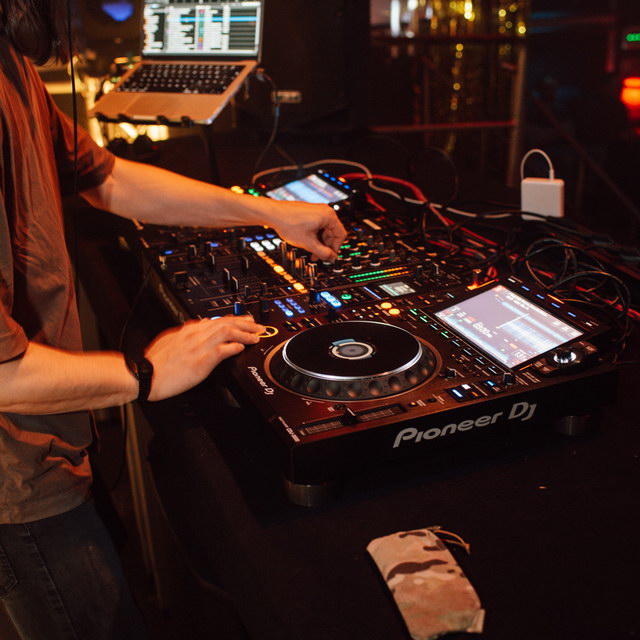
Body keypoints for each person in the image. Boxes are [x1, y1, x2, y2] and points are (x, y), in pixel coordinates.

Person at [0, 1, 347, 638]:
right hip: (16, 489)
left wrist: (267, 212)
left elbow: (109, 179)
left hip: (51, 443)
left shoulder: (10, 60)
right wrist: (147, 372)